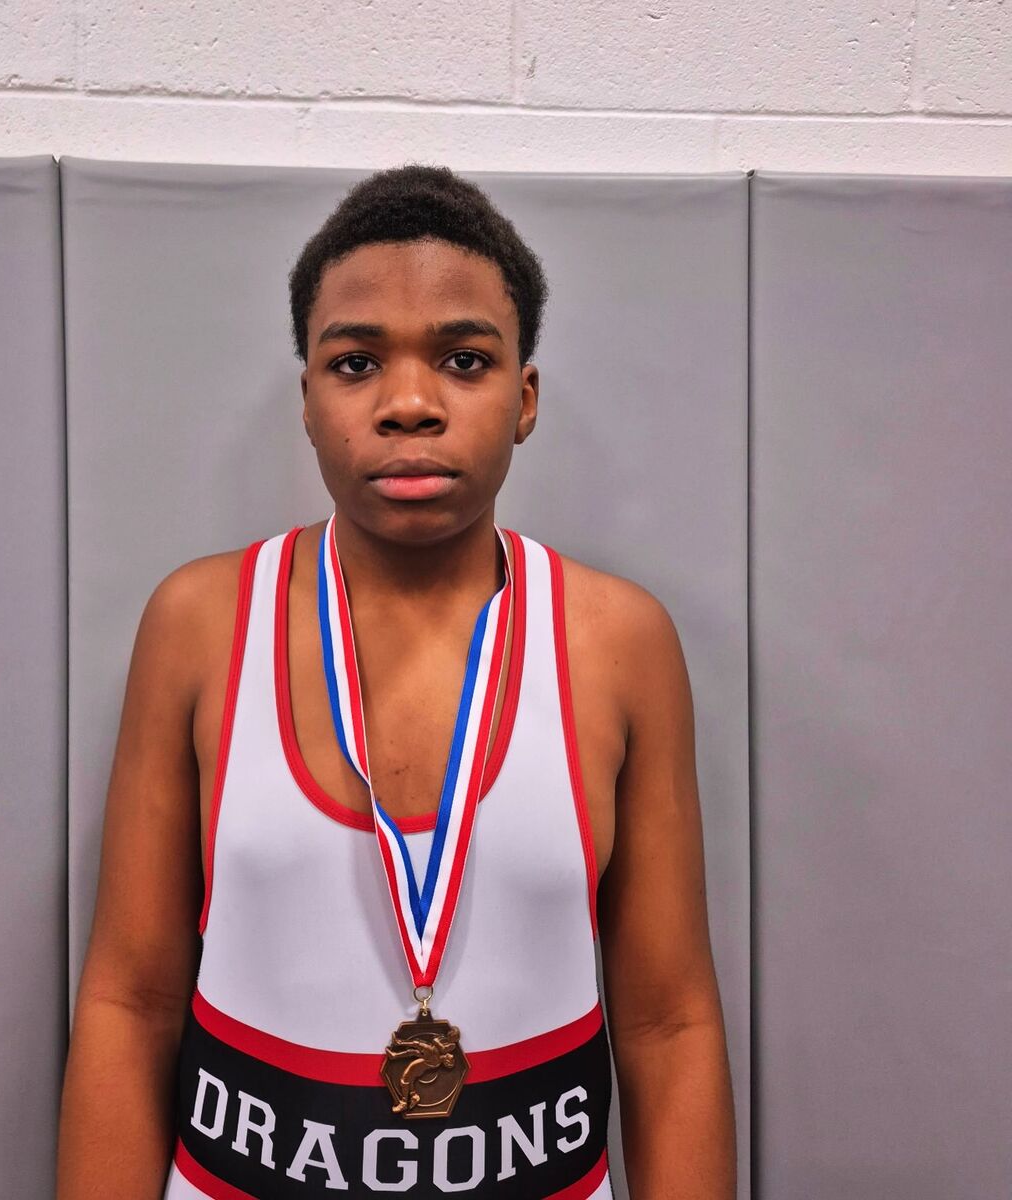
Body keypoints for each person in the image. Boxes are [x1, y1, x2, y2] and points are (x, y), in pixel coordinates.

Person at [55, 163, 736, 1199]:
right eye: (357, 362)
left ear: (526, 398)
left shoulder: (618, 642)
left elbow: (668, 1023)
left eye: (464, 360)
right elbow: (131, 1001)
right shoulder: (199, 624)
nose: (409, 404)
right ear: (309, 400)